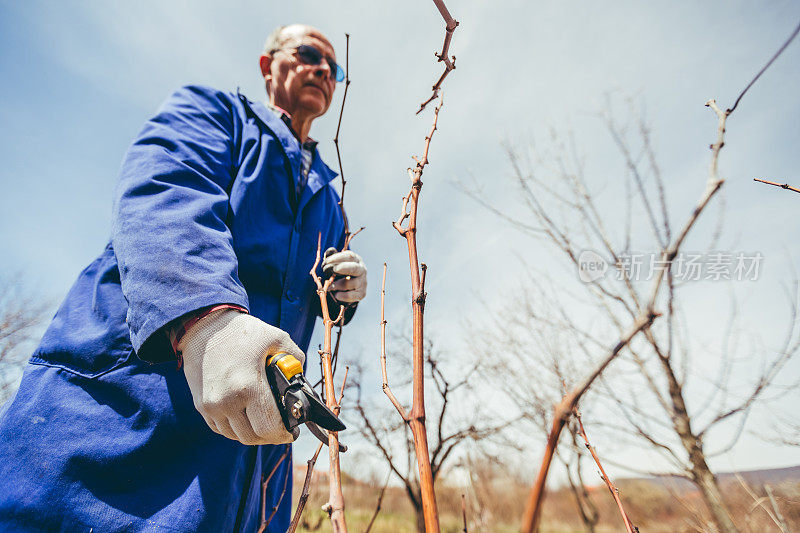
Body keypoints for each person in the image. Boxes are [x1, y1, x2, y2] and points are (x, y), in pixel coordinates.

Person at [0, 23, 366, 532]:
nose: (323, 70)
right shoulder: (215, 113)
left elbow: (307, 298)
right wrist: (206, 318)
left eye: (334, 67)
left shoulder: (331, 200)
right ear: (268, 66)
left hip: (253, 469)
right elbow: (164, 187)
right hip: (125, 422)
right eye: (308, 54)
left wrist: (342, 294)